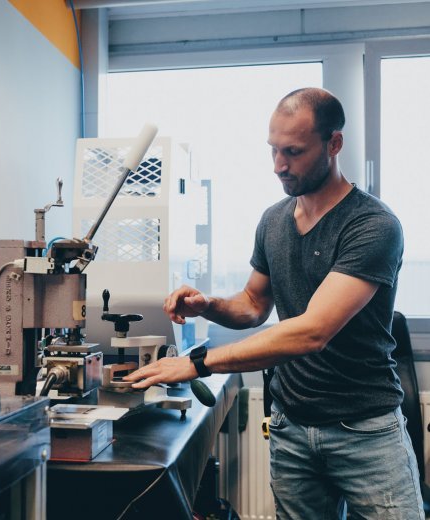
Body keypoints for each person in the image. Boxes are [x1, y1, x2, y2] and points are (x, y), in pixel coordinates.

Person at [124, 87, 425, 518]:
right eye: (274, 150)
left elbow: (312, 331)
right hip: (292, 428)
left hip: (365, 431)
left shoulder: (373, 225)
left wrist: (198, 363)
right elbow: (252, 304)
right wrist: (206, 304)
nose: (279, 165)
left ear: (334, 144)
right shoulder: (274, 221)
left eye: (294, 152)